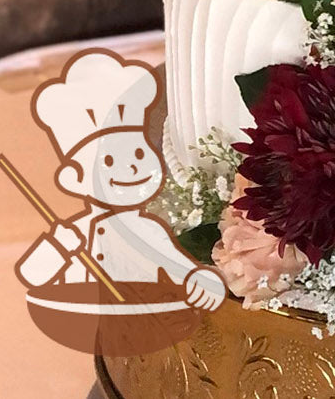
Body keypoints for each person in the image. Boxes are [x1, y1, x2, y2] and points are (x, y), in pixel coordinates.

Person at [15, 49, 225, 309]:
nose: (133, 168)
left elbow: (182, 264)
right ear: (76, 179)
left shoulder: (160, 222)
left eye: (139, 154)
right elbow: (32, 274)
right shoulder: (83, 228)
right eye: (112, 162)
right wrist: (57, 244)